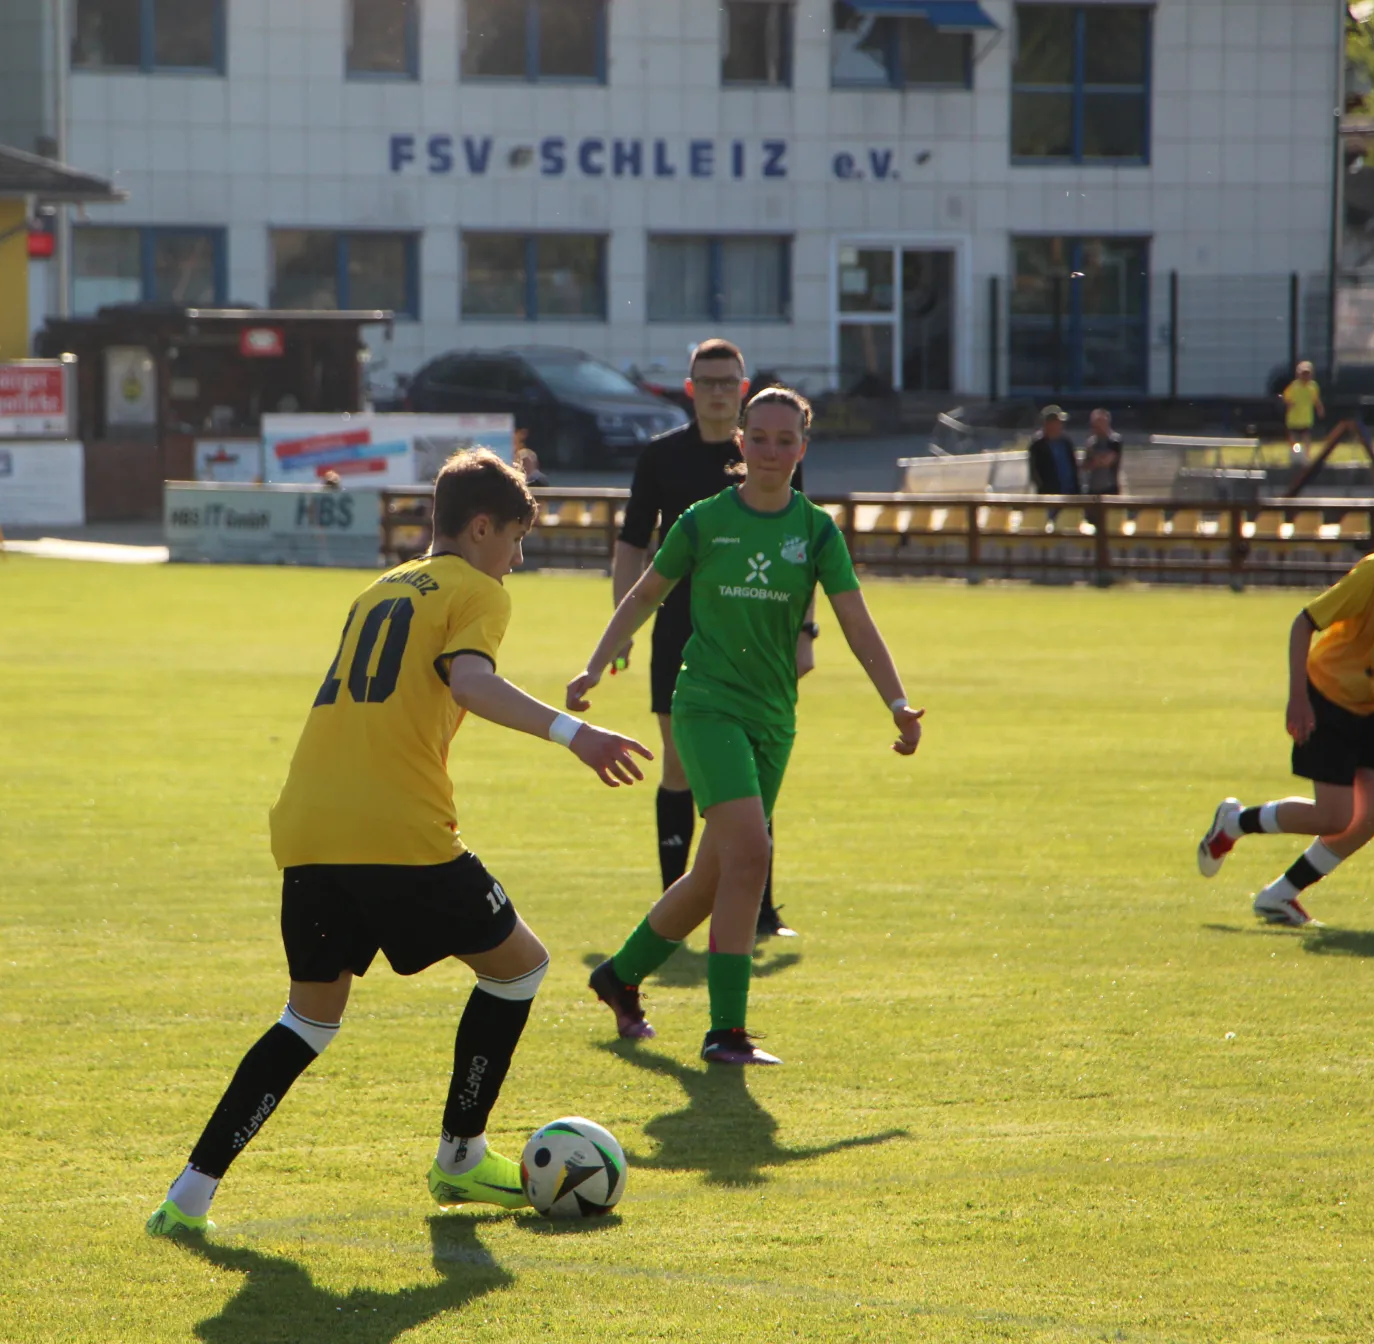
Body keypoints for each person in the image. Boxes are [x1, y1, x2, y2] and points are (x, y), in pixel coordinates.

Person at [146, 451, 650, 1235]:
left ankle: (187, 1196)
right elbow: (470, 682)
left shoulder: (379, 587)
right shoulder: (478, 590)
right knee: (520, 967)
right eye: (515, 539)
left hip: (308, 824)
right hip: (397, 829)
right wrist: (575, 733)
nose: (517, 559)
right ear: (480, 528)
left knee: (309, 1019)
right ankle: (460, 1155)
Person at [570, 390, 924, 1066]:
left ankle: (619, 976)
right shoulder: (705, 521)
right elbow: (646, 592)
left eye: (785, 440)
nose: (770, 451)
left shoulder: (816, 531)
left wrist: (898, 703)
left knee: (712, 877)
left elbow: (855, 621)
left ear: (803, 448)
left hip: (774, 718)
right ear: (739, 442)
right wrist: (594, 665)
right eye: (758, 437)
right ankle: (726, 1032)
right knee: (752, 854)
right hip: (706, 706)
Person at [1195, 481, 1374, 926]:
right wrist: (1298, 698)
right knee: (1334, 816)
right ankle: (1234, 823)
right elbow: (1304, 623)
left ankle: (1280, 895)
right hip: (1328, 695)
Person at [612, 339, 815, 940]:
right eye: (708, 382)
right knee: (678, 766)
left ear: (744, 389)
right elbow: (631, 544)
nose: (719, 392)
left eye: (729, 382)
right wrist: (621, 628)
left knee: (752, 770)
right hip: (679, 629)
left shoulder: (771, 449)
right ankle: (671, 907)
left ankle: (762, 910)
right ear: (690, 389)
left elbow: (800, 546)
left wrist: (806, 631)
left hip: (759, 632)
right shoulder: (661, 457)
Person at [1026, 405, 1081, 496]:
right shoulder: (1038, 446)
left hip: (1070, 493)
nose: (1061, 425)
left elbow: (1073, 467)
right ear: (1048, 424)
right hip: (1050, 494)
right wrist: (1044, 489)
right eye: (1058, 422)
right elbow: (1035, 473)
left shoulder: (1066, 442)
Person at [1279, 361, 1325, 466]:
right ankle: (1294, 457)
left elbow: (1316, 400)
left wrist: (1320, 409)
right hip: (1294, 418)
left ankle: (1306, 457)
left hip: (1306, 418)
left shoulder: (1313, 386)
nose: (1305, 376)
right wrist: (1289, 404)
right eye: (1303, 374)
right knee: (1293, 439)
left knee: (1306, 438)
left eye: (1307, 374)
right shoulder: (1294, 386)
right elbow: (1285, 398)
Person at [1083, 408, 1123, 495]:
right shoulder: (1091, 442)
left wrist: (1095, 460)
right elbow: (1085, 465)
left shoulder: (1114, 441)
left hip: (1109, 487)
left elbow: (1107, 461)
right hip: (1093, 487)